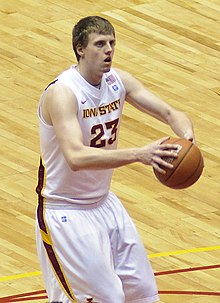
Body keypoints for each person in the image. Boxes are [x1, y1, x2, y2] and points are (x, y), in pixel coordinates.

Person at [36, 16, 195, 303]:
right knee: (107, 298)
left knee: (143, 295)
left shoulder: (117, 81)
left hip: (105, 204)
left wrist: (186, 139)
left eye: (112, 43)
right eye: (100, 44)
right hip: (66, 212)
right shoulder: (63, 93)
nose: (109, 50)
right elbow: (75, 156)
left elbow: (171, 114)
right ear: (80, 49)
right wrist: (140, 154)